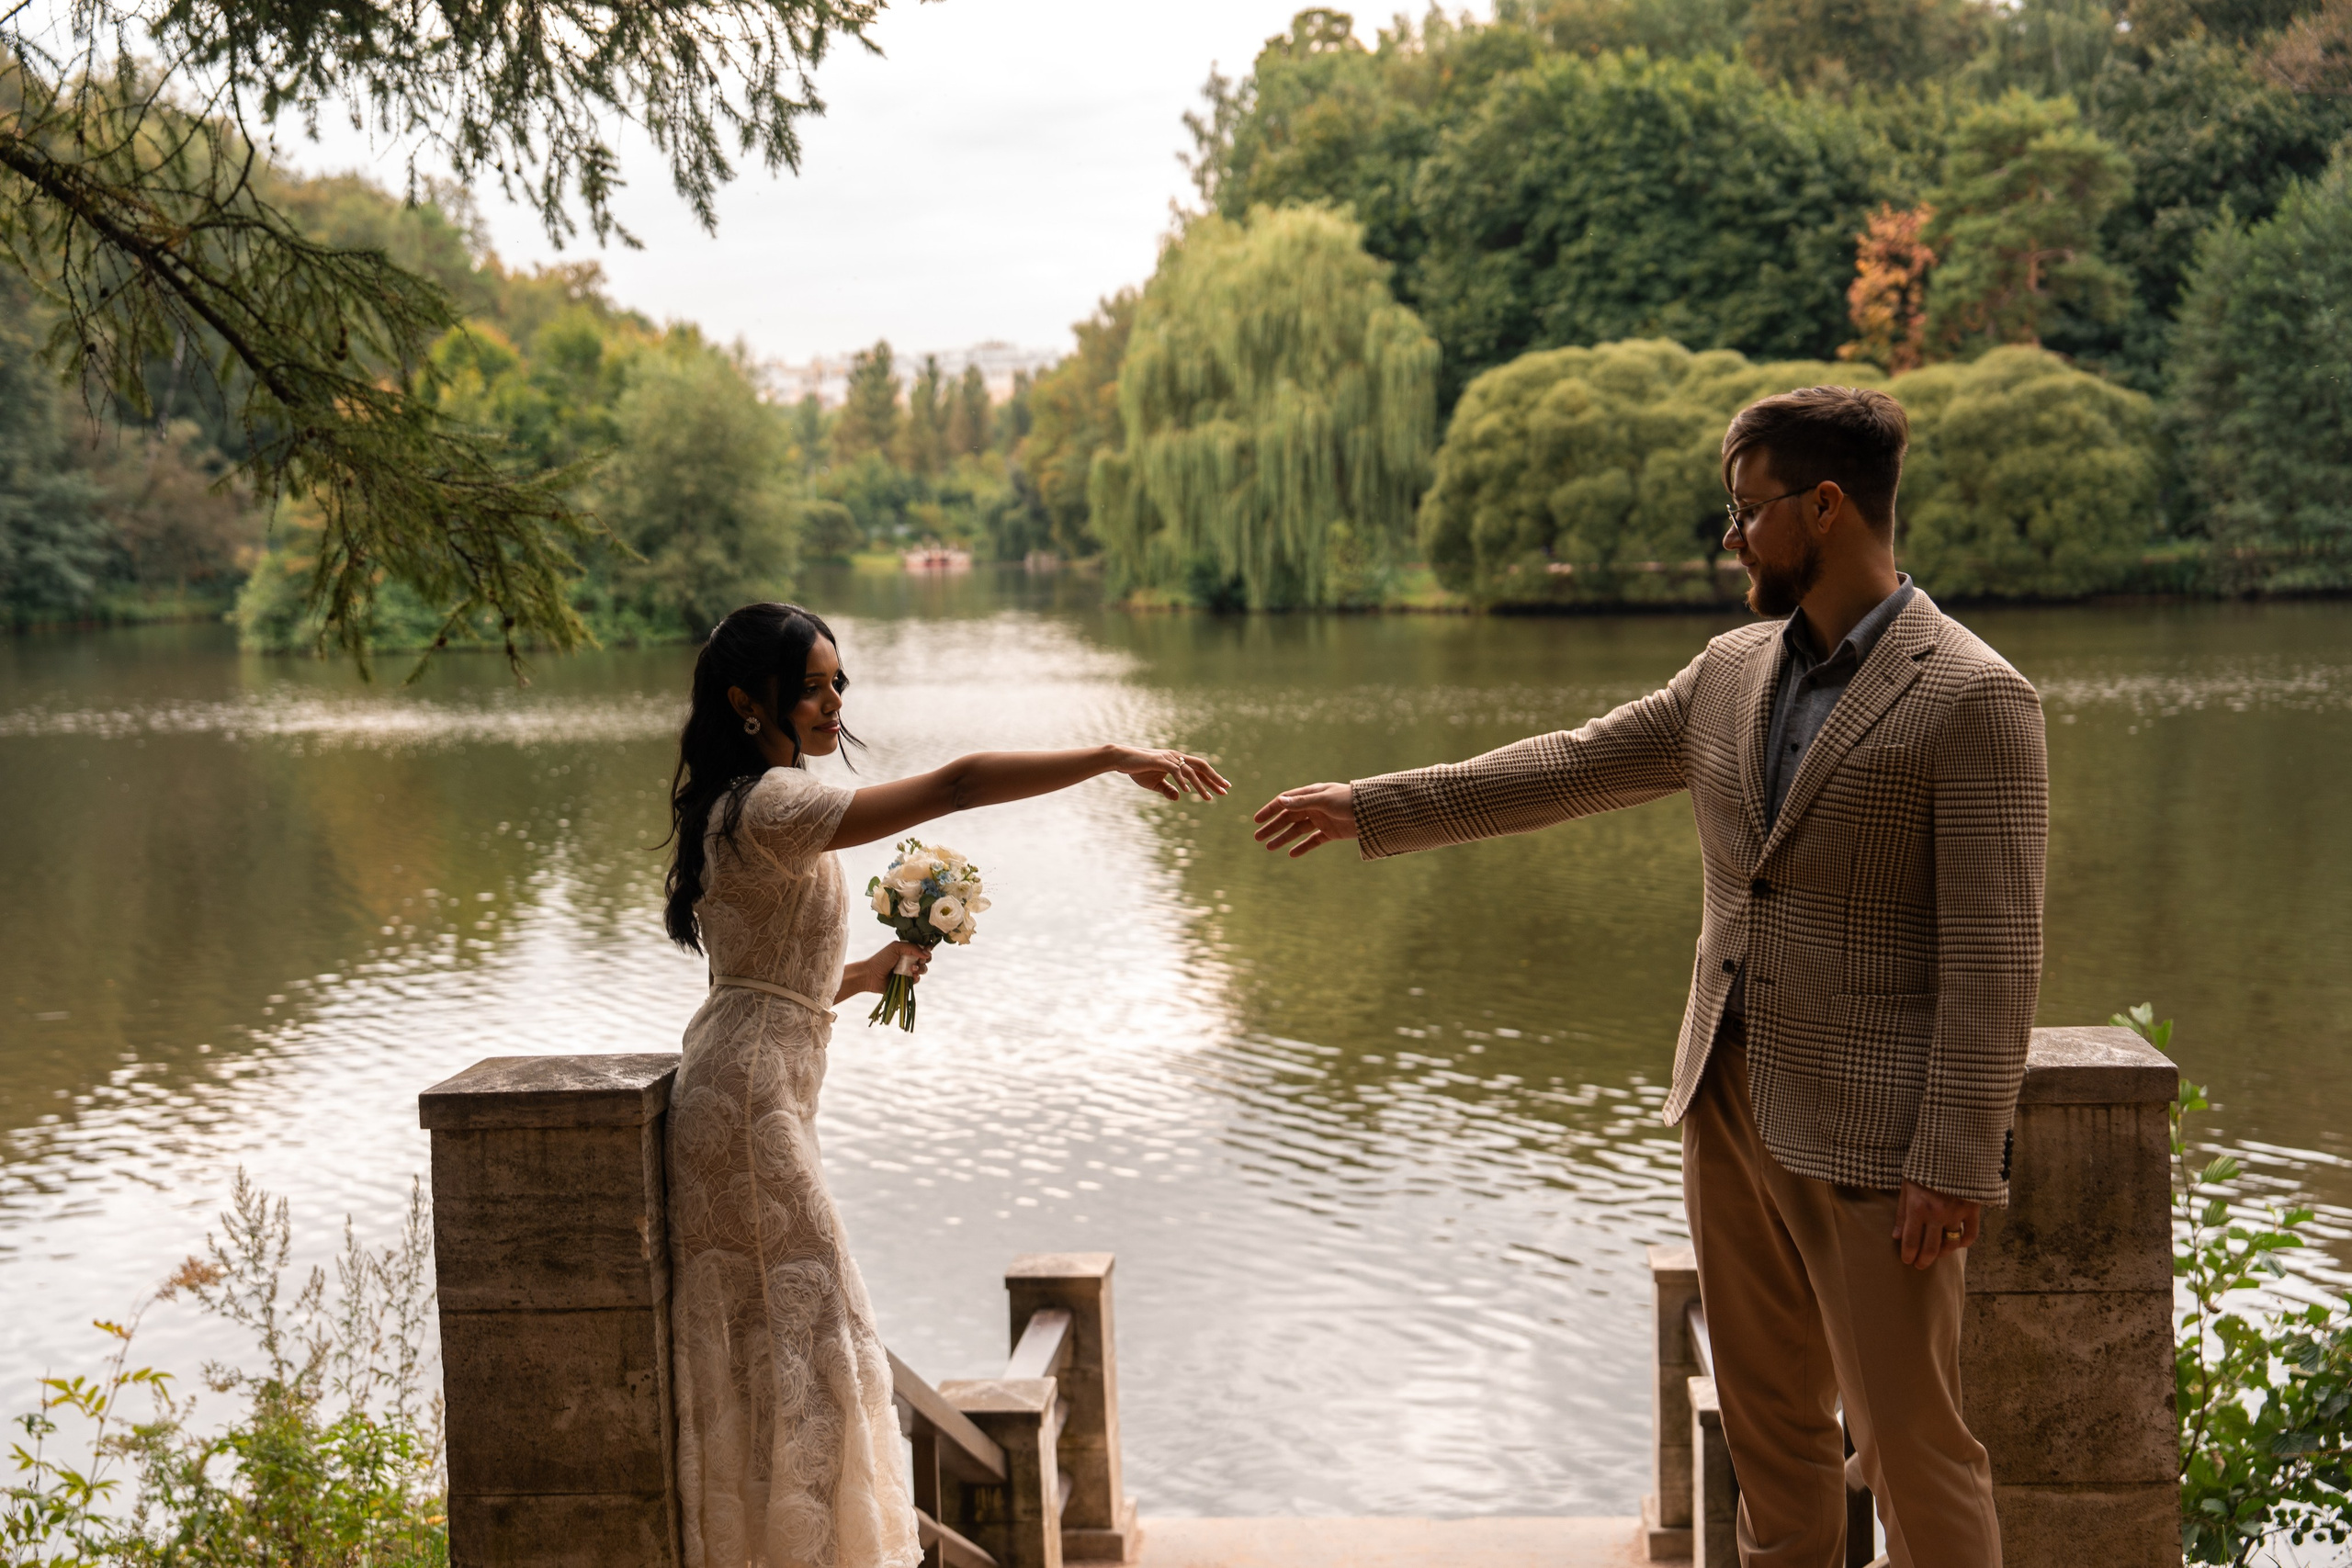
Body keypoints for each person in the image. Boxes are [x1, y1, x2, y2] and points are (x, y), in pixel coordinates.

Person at [1252, 387, 2045, 1568]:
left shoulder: (1976, 698)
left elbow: (1997, 955)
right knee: (1771, 1443)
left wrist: (1952, 1159)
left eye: (1745, 512)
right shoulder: (1727, 671)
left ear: (1824, 508)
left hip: (1879, 1150)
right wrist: (1371, 807)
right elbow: (1566, 768)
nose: (1730, 540)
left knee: (1912, 1452)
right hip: (1724, 1106)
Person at [661, 602, 1227, 1568]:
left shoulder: (736, 801)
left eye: (840, 681)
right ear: (746, 702)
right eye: (810, 686)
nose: (833, 701)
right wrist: (1107, 757)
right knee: (811, 1340)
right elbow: (960, 783)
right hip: (750, 1109)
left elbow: (760, 982)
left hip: (743, 1079)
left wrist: (866, 971)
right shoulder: (773, 803)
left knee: (784, 1348)